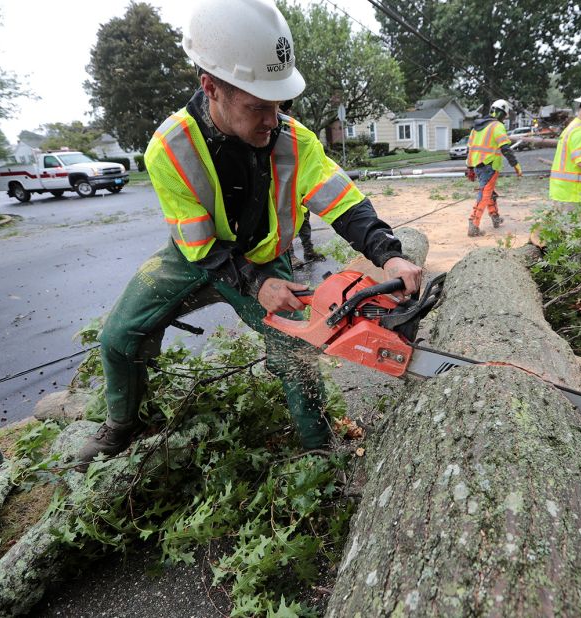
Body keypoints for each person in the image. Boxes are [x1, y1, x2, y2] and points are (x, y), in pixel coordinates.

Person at [76, 0, 422, 468]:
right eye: (258, 106)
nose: (271, 119)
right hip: (192, 257)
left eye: (279, 105)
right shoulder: (170, 148)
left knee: (294, 352)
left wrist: (389, 255)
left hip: (264, 258)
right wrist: (256, 286)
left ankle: (317, 449)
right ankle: (122, 424)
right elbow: (199, 244)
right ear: (211, 86)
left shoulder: (294, 141)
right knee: (118, 337)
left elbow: (343, 203)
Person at [465, 99, 523, 237]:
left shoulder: (476, 127)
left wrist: (470, 168)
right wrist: (516, 166)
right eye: (505, 116)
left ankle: (495, 217)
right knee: (485, 193)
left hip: (478, 166)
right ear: (503, 113)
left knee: (489, 192)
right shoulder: (497, 126)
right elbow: (506, 149)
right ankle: (473, 225)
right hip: (490, 166)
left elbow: (470, 149)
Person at [279, 99, 324, 269]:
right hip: (281, 188)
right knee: (284, 224)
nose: (285, 112)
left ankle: (308, 251)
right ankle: (290, 256)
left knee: (304, 220)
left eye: (285, 109)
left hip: (297, 185)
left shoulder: (292, 130)